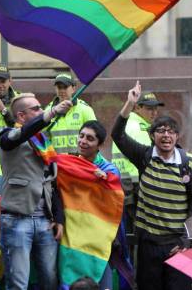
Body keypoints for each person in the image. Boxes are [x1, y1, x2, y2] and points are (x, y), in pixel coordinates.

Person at [111, 81, 192, 290]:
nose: (166, 135)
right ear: (152, 136)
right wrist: (129, 103)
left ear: (177, 136)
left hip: (177, 244)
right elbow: (117, 135)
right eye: (160, 131)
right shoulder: (144, 156)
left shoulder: (189, 163)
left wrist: (186, 241)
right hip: (148, 244)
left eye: (171, 131)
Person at [0, 93, 72, 290]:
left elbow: (52, 184)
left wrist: (59, 218)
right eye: (36, 109)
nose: (41, 111)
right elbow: (18, 136)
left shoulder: (44, 142)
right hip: (16, 220)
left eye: (42, 108)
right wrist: (52, 112)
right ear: (21, 116)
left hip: (45, 222)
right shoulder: (7, 136)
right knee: (18, 283)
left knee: (49, 280)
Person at [77, 120, 132, 290]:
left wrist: (105, 182)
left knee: (103, 282)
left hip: (101, 240)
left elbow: (115, 202)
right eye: (81, 136)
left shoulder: (109, 170)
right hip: (75, 236)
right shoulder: (69, 165)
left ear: (100, 144)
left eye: (90, 139)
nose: (83, 141)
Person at [111, 90, 164, 177]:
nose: (154, 113)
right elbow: (147, 157)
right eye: (150, 109)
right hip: (134, 180)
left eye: (156, 108)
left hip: (122, 177)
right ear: (137, 108)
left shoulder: (129, 123)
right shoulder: (139, 128)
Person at [45, 72, 96, 154]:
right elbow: (42, 139)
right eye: (59, 87)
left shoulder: (85, 109)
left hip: (79, 162)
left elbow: (95, 136)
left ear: (73, 89)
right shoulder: (48, 111)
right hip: (57, 163)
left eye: (65, 87)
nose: (61, 90)